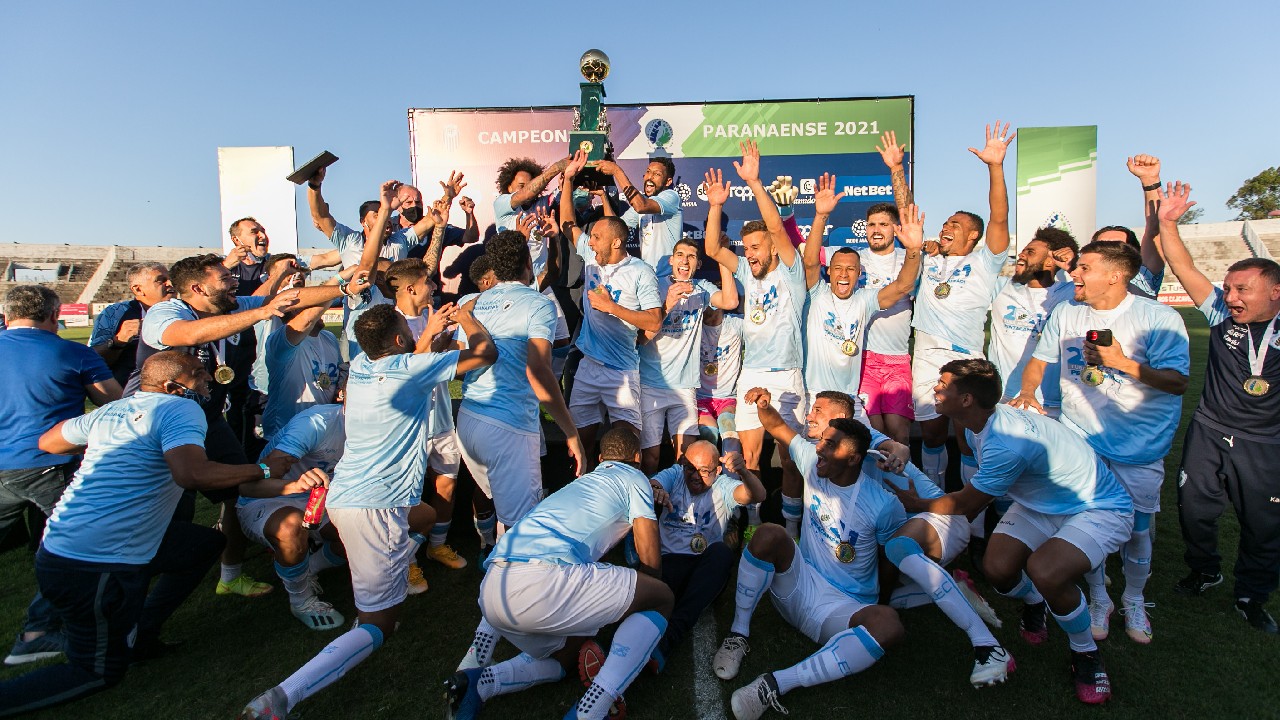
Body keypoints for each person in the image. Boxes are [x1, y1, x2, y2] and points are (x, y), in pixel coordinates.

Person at [239, 299, 496, 719]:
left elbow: (412, 360)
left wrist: (431, 331)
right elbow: (486, 354)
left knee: (419, 527)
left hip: (346, 500)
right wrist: (467, 318)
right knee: (381, 625)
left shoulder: (361, 367)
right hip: (377, 507)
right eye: (407, 331)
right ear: (399, 339)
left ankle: (349, 587)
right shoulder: (410, 369)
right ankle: (282, 698)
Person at [0, 351, 296, 715]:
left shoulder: (113, 410)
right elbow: (193, 475)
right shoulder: (180, 409)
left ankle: (141, 631)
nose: (207, 380)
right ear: (173, 386)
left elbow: (49, 442)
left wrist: (115, 446)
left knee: (201, 545)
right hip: (95, 561)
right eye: (199, 374)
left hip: (65, 545)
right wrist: (262, 470)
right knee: (97, 671)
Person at [889, 359, 1135, 705]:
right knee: (998, 570)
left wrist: (915, 504)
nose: (935, 388)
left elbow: (968, 505)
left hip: (1098, 507)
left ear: (967, 399)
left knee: (1045, 571)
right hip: (1043, 502)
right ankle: (1036, 602)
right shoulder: (976, 421)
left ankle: (1086, 653)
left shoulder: (1005, 443)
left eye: (944, 385)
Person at [133, 253, 362, 599]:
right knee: (169, 503)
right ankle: (137, 571)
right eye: (224, 279)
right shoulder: (167, 312)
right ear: (197, 288)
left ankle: (231, 574)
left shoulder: (231, 304)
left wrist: (342, 285)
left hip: (208, 419)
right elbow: (187, 334)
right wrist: (259, 312)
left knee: (238, 490)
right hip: (155, 422)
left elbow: (287, 299)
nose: (234, 283)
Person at [1012, 241, 1189, 644]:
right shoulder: (1067, 311)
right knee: (1084, 520)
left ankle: (1134, 598)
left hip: (1138, 445)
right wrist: (1027, 392)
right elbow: (1040, 359)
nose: (1074, 273)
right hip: (1081, 439)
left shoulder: (1158, 318)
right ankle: (1098, 597)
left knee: (1138, 529)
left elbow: (1178, 382)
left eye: (1084, 267)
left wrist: (1121, 364)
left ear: (1116, 274)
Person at [445, 428, 673, 720]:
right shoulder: (635, 478)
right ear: (638, 457)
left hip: (492, 592)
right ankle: (594, 709)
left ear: (601, 458)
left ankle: (481, 682)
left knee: (567, 655)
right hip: (540, 584)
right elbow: (651, 559)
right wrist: (645, 617)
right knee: (661, 597)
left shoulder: (580, 485)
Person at [711, 404, 905, 720]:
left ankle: (775, 684)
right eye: (822, 440)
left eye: (830, 444)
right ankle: (738, 633)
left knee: (888, 624)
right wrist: (763, 404)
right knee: (769, 534)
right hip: (799, 584)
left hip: (842, 611)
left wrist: (880, 602)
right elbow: (777, 427)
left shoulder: (884, 504)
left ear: (854, 459)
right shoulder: (814, 464)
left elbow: (890, 559)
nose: (819, 448)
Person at [1154, 182, 1280, 634]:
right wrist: (1168, 221)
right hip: (1209, 431)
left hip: (1266, 445)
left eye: (1242, 290)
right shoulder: (1220, 318)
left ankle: (1251, 595)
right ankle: (1205, 569)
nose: (1231, 297)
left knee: (1263, 525)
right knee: (1192, 510)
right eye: (1227, 288)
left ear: (1275, 292)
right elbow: (1182, 264)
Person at [0, 285, 120, 667]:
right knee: (77, 544)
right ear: (55, 316)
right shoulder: (71, 350)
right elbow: (112, 401)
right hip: (46, 464)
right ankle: (36, 632)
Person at [911, 123, 1015, 495]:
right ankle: (934, 500)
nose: (946, 227)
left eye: (955, 224)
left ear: (974, 236)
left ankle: (973, 519)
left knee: (968, 438)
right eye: (945, 222)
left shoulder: (986, 261)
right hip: (924, 354)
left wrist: (995, 167)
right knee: (931, 434)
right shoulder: (927, 259)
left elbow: (999, 218)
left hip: (963, 358)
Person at [702, 141, 807, 479]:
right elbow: (713, 249)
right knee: (749, 458)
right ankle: (755, 525)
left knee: (790, 459)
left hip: (787, 375)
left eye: (756, 247)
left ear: (774, 248)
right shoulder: (748, 271)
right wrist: (715, 206)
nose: (748, 254)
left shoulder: (792, 271)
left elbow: (776, 227)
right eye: (746, 248)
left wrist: (754, 183)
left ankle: (790, 529)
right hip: (752, 374)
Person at [560, 152, 663, 466]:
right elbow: (567, 226)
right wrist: (566, 180)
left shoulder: (640, 272)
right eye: (591, 237)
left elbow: (654, 321)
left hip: (621, 372)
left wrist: (611, 307)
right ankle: (581, 495)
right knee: (580, 445)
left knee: (627, 445)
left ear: (617, 242)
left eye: (597, 237)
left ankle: (631, 506)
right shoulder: (592, 259)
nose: (590, 242)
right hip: (589, 368)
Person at [800, 174, 922, 417]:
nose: (844, 274)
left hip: (869, 381)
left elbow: (902, 286)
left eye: (850, 270)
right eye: (838, 268)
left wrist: (914, 249)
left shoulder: (866, 299)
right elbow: (810, 260)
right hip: (820, 389)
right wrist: (821, 215)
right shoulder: (820, 292)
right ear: (830, 271)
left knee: (891, 438)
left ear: (859, 273)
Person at [640, 442, 765, 672]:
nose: (695, 476)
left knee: (721, 554)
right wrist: (655, 488)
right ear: (683, 464)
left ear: (717, 471)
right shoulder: (676, 474)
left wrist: (744, 472)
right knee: (650, 604)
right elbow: (654, 483)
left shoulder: (724, 485)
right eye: (690, 468)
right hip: (670, 562)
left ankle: (669, 637)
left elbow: (757, 494)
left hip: (703, 565)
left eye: (704, 471)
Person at [386, 256, 469, 575]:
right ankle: (406, 560)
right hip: (408, 426)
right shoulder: (388, 322)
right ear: (410, 288)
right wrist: (432, 334)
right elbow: (403, 372)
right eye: (428, 282)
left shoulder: (431, 315)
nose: (434, 286)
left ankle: (436, 546)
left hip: (442, 419)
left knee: (446, 485)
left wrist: (445, 335)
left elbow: (439, 360)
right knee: (407, 494)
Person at [237, 401, 348, 631]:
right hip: (269, 498)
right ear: (344, 396)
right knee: (290, 526)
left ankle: (309, 570)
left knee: (363, 532)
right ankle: (301, 601)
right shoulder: (316, 423)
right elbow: (249, 488)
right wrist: (295, 485)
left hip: (320, 497)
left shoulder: (385, 423)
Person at [636, 239, 739, 474]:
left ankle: (680, 509)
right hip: (651, 383)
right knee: (650, 458)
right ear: (671, 261)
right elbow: (642, 338)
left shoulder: (701, 288)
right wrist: (668, 304)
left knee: (687, 459)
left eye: (691, 256)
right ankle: (651, 506)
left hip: (685, 387)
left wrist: (723, 260)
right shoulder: (655, 286)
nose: (685, 260)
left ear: (698, 264)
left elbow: (731, 301)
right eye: (680, 255)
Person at [860, 131, 918, 446]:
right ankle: (875, 491)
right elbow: (806, 253)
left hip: (898, 359)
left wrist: (896, 169)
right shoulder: (852, 259)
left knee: (900, 433)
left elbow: (909, 215)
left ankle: (905, 492)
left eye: (884, 224)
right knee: (873, 431)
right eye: (872, 224)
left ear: (895, 229)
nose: (877, 230)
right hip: (865, 357)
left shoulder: (910, 258)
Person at [985, 227, 1078, 412]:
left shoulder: (1072, 292)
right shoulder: (1002, 287)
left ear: (1050, 263)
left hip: (1052, 403)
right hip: (1005, 398)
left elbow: (1110, 292)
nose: (1021, 254)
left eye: (1030, 252)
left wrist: (1073, 266)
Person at [306, 167, 439, 268]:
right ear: (363, 222)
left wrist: (447, 197)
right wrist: (314, 186)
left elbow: (428, 221)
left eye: (386, 214)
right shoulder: (350, 241)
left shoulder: (400, 240)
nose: (385, 219)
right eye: (377, 215)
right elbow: (321, 217)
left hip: (391, 305)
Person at [1090, 154, 1168, 300]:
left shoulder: (1143, 278)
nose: (1109, 250)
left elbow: (1154, 229)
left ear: (1136, 255)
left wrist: (1150, 180)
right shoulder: (1079, 282)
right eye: (1101, 245)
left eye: (1117, 245)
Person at [89, 262, 175, 387]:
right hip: (130, 395)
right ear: (138, 289)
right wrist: (118, 341)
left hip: (174, 393)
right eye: (161, 280)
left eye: (170, 279)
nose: (170, 284)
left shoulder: (181, 311)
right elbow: (93, 360)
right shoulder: (116, 313)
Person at [597, 156, 682, 273]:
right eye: (648, 172)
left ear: (668, 181)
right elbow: (614, 228)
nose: (650, 177)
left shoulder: (671, 196)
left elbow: (641, 206)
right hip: (649, 277)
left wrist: (617, 171)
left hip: (669, 277)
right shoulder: (643, 202)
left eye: (657, 174)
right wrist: (603, 196)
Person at [696, 307, 743, 453]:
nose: (711, 306)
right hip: (700, 397)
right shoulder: (694, 326)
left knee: (728, 426)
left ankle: (731, 474)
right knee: (708, 433)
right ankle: (708, 473)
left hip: (728, 397)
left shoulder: (736, 324)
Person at [223, 217, 272, 296]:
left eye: (263, 232)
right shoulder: (219, 264)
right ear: (236, 240)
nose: (263, 236)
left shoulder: (275, 262)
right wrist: (226, 266)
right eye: (254, 232)